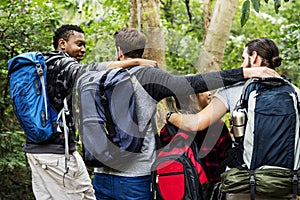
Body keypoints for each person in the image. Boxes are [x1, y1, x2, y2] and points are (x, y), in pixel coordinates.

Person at [91, 29, 280, 200]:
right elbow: (194, 83)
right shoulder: (147, 76)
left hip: (101, 173)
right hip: (134, 177)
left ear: (118, 51)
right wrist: (245, 73)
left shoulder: (98, 77)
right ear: (142, 50)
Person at [23, 24, 158, 200]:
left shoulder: (45, 64)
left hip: (41, 148)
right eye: (78, 44)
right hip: (56, 153)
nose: (83, 49)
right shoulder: (61, 63)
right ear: (62, 44)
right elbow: (88, 71)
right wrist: (136, 62)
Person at [167, 38, 300, 200]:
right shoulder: (295, 93)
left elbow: (196, 123)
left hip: (243, 186)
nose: (242, 65)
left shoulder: (234, 90)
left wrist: (170, 116)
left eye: (244, 58)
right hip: (285, 185)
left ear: (255, 57)